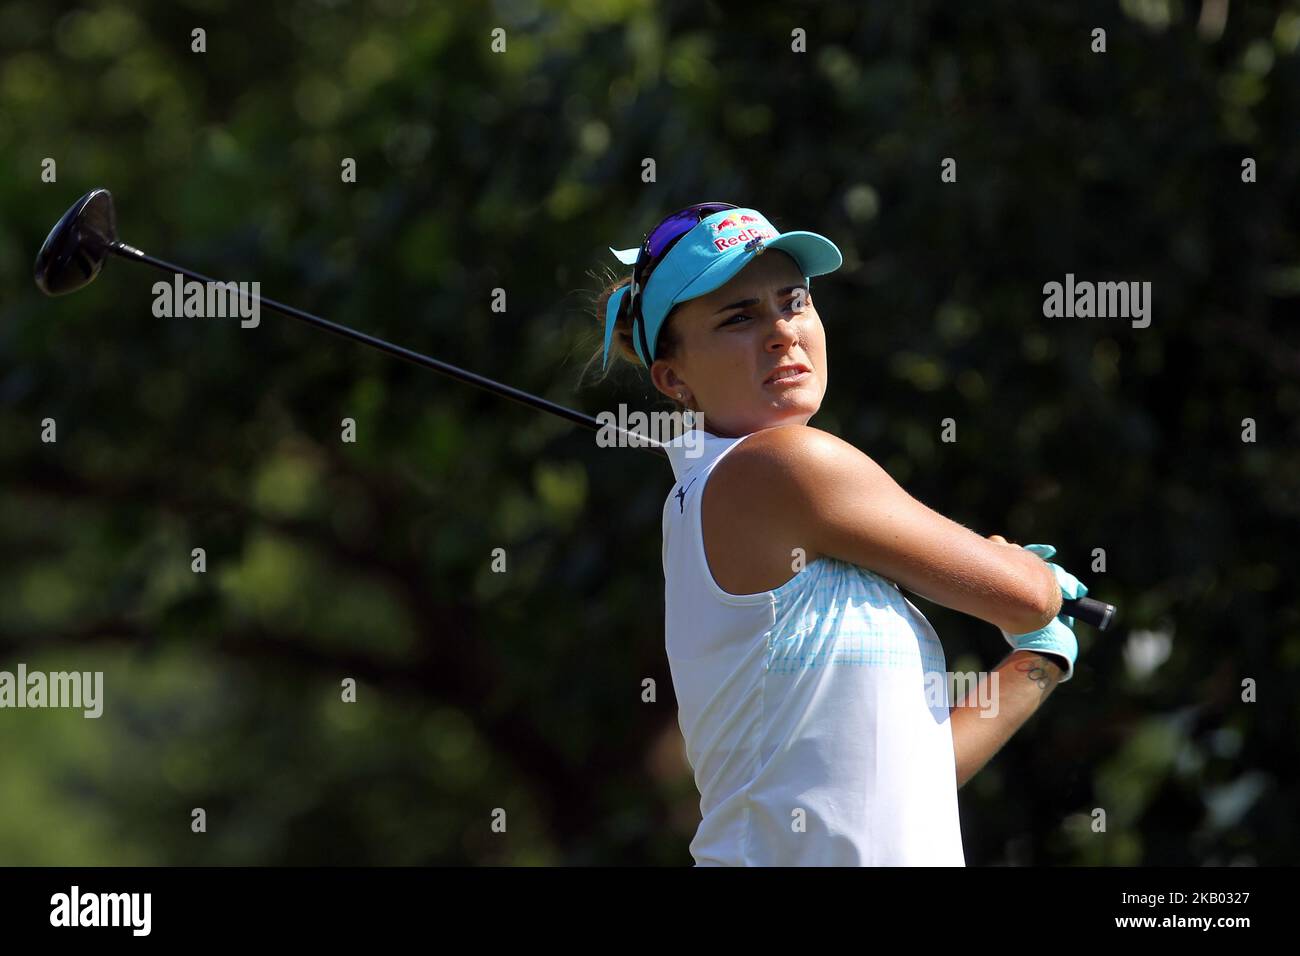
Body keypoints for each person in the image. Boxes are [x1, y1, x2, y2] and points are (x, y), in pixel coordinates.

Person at [591, 202, 1090, 866]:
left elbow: (915, 781)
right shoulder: (785, 466)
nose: (780, 332)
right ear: (673, 378)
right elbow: (1024, 596)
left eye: (792, 302)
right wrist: (1030, 583)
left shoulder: (726, 492)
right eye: (738, 316)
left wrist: (1039, 660)